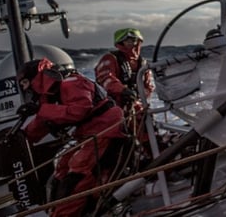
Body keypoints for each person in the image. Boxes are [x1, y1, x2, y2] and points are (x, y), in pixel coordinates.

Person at [16, 58, 127, 217]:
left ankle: (66, 214)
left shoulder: (71, 82)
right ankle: (58, 210)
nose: (25, 88)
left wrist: (40, 108)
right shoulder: (49, 95)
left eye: (26, 82)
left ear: (37, 77)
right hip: (88, 136)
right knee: (61, 167)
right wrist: (22, 138)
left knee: (78, 174)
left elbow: (79, 110)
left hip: (106, 130)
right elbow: (42, 122)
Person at [95, 27, 155, 149]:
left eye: (134, 40)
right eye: (128, 40)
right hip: (113, 106)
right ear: (120, 42)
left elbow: (148, 86)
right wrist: (123, 90)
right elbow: (105, 78)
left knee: (147, 125)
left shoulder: (143, 63)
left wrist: (141, 95)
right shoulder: (110, 58)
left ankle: (149, 152)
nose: (131, 43)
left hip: (135, 105)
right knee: (117, 136)